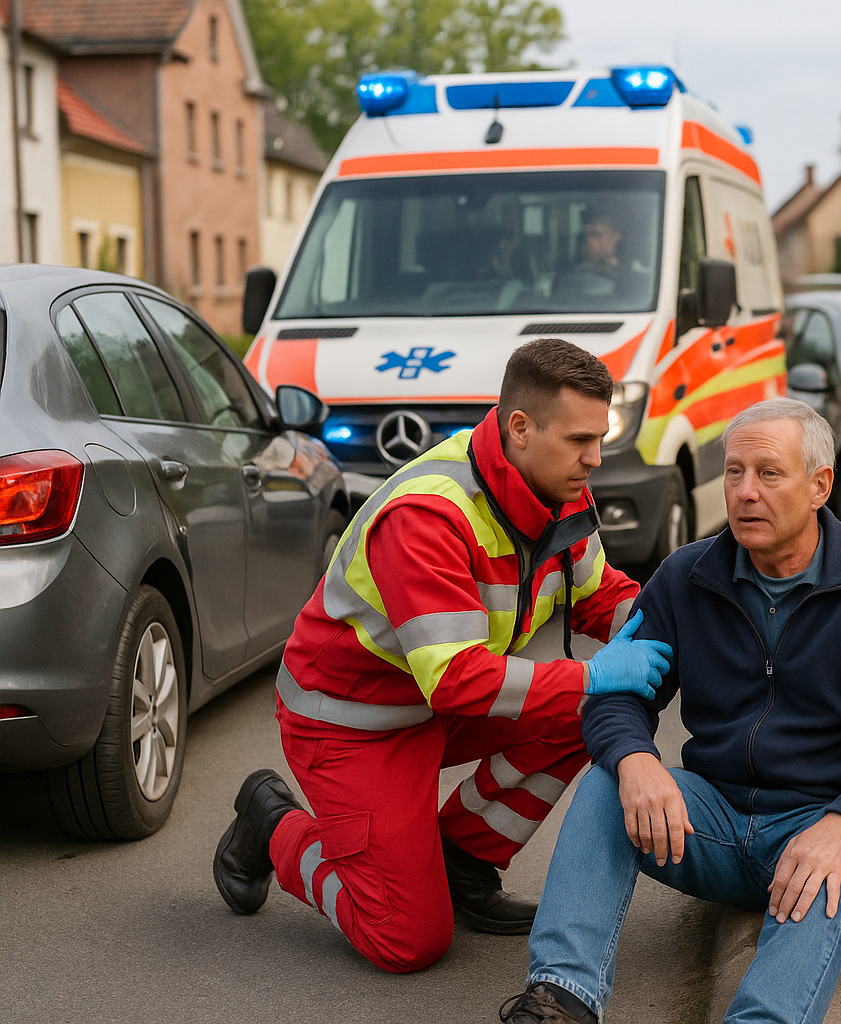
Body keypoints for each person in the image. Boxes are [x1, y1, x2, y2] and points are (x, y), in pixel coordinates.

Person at [211, 339, 671, 973]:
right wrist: (592, 672)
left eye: (599, 437)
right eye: (579, 441)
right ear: (520, 428)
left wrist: (677, 631)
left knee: (590, 710)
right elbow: (457, 680)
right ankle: (275, 827)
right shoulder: (428, 515)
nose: (596, 459)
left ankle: (460, 863)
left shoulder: (558, 490)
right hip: (351, 725)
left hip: (430, 703)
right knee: (407, 941)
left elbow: (598, 595)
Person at [497, 398, 841, 1024]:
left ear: (820, 485)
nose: (746, 492)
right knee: (607, 780)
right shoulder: (686, 574)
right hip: (717, 821)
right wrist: (636, 761)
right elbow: (617, 694)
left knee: (819, 881)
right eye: (734, 472)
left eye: (769, 473)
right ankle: (561, 998)